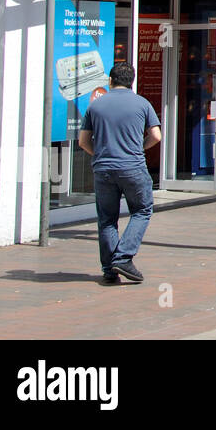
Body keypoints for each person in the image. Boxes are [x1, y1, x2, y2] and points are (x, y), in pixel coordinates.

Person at [77, 62, 161, 283]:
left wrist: (101, 153)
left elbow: (83, 141)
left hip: (103, 168)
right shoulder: (142, 103)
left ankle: (109, 270)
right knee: (142, 210)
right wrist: (138, 147)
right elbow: (156, 136)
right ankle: (123, 257)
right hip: (133, 166)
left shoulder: (95, 106)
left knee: (106, 219)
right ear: (131, 82)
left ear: (110, 81)